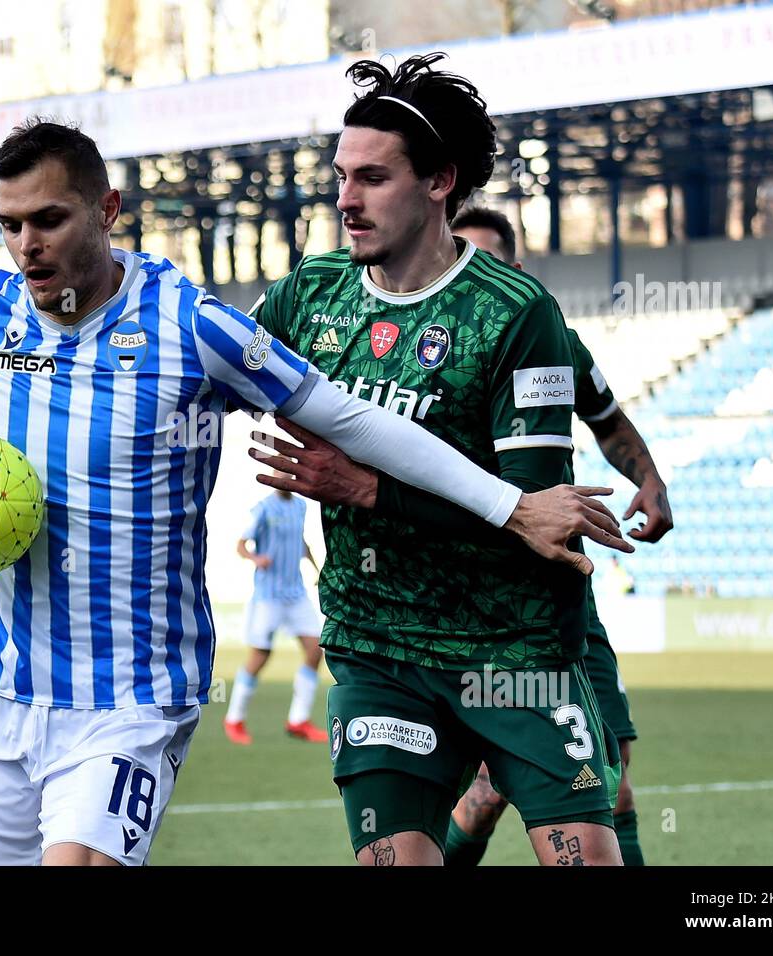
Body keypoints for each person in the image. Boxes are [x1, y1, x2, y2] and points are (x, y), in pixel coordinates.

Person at [0, 119, 629, 867]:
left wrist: (510, 502)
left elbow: (345, 415)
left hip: (124, 699)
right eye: (9, 226)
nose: (27, 245)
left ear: (108, 209)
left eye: (49, 219)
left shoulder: (191, 327)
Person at [249, 53, 635, 865]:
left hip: (512, 652)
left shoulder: (516, 313)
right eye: (341, 176)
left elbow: (534, 519)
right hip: (378, 645)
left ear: (439, 182)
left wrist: (366, 490)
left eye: (373, 178)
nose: (347, 201)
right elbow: (201, 370)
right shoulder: (306, 297)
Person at [441, 206, 673, 867]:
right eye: (462, 265)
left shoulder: (553, 340)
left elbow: (606, 417)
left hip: (560, 597)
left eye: (488, 265)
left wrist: (650, 480)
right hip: (460, 608)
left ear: (516, 272)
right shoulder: (424, 352)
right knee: (483, 795)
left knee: (612, 777)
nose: (473, 281)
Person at [224, 480, 327, 745]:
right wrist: (256, 559)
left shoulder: (301, 506)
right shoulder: (263, 509)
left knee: (316, 649)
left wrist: (316, 570)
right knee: (261, 655)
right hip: (268, 596)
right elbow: (241, 544)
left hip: (296, 594)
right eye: (277, 469)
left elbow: (300, 541)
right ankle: (234, 719)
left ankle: (298, 720)